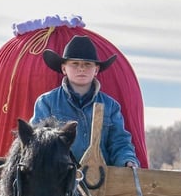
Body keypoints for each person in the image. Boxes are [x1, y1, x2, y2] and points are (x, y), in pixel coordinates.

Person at [30, 35, 140, 168]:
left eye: (87, 64)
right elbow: (37, 142)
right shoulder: (46, 102)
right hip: (58, 180)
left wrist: (127, 160)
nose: (81, 68)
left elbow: (119, 141)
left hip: (101, 179)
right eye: (75, 64)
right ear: (64, 68)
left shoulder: (111, 106)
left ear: (96, 70)